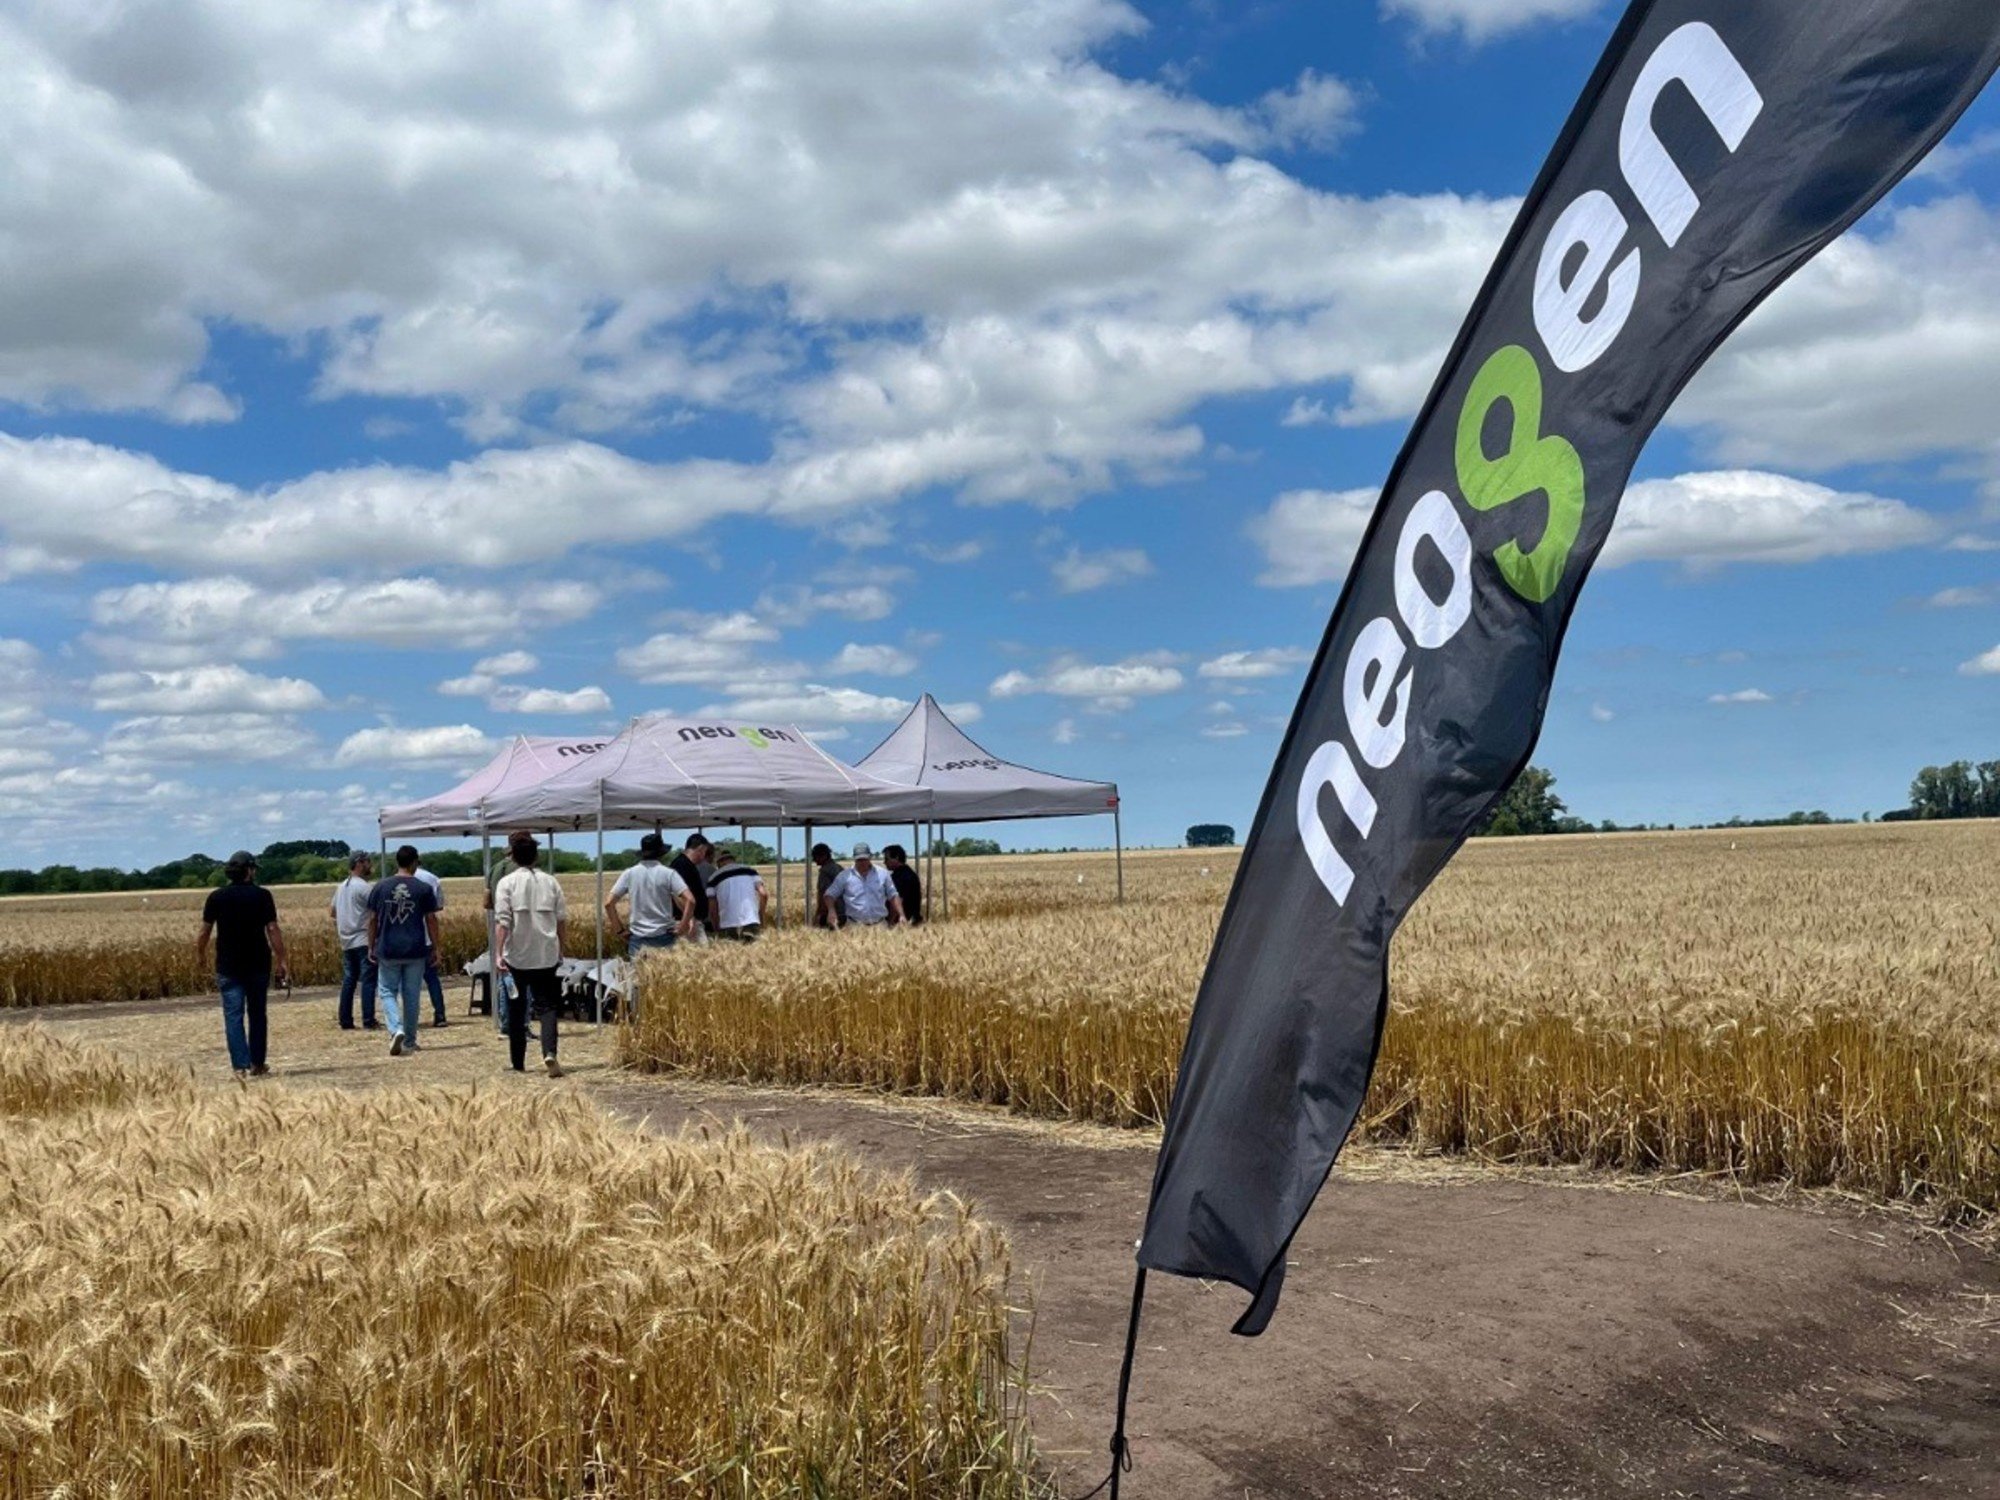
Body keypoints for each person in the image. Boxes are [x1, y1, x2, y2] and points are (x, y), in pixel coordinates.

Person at [196, 850, 289, 1079]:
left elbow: (204, 931)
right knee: (258, 1014)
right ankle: (258, 1063)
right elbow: (272, 929)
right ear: (249, 871)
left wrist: (200, 955)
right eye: (254, 868)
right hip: (258, 963)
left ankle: (240, 1066)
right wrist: (282, 959)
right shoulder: (262, 896)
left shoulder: (216, 897)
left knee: (233, 1015)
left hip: (228, 965)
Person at [494, 831, 569, 1077]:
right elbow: (561, 921)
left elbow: (503, 922)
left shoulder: (507, 883)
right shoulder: (551, 882)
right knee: (547, 1007)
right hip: (546, 953)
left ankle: (518, 1062)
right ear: (536, 856)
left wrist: (498, 953)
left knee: (517, 1008)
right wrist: (562, 947)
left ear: (513, 857)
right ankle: (549, 1052)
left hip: (518, 954)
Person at [369, 844, 441, 1057]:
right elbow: (431, 919)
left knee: (387, 991)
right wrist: (436, 947)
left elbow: (372, 919)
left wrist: (370, 945)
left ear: (397, 862)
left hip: (388, 947)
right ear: (414, 863)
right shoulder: (423, 888)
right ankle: (409, 1040)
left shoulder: (381, 887)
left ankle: (395, 1028)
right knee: (411, 995)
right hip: (415, 948)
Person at [604, 832, 695, 957]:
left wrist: (619, 930)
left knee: (638, 975)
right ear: (661, 853)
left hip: (637, 938)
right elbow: (690, 900)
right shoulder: (669, 874)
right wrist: (683, 927)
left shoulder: (629, 873)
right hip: (665, 937)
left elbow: (609, 904)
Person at [331, 851, 378, 1030]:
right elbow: (376, 913)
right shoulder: (365, 887)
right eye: (367, 862)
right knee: (368, 980)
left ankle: (345, 1020)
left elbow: (332, 912)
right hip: (363, 938)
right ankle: (368, 1019)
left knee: (349, 980)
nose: (370, 865)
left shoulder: (341, 886)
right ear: (359, 863)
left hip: (346, 940)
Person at [484, 835, 523, 1035]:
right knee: (520, 978)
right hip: (518, 926)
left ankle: (504, 1021)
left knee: (503, 975)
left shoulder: (494, 869)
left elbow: (486, 902)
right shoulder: (519, 872)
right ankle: (518, 1024)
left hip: (499, 924)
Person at [821, 842, 904, 929]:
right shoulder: (844, 876)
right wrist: (831, 910)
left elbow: (893, 895)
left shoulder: (882, 874)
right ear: (854, 859)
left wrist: (901, 914)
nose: (862, 862)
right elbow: (829, 895)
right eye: (859, 860)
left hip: (879, 926)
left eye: (865, 859)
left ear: (870, 857)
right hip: (854, 926)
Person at [412, 853, 448, 1027]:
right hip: (426, 936)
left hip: (405, 938)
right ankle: (440, 1014)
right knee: (432, 978)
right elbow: (438, 907)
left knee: (408, 981)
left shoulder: (394, 880)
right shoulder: (432, 879)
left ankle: (410, 1017)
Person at [708, 847, 769, 940]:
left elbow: (712, 908)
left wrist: (717, 929)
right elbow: (763, 894)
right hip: (751, 919)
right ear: (733, 860)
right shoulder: (750, 871)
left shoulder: (713, 877)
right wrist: (760, 916)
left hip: (727, 923)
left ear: (719, 863)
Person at [670, 833, 712, 940]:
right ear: (700, 849)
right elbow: (677, 895)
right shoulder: (682, 865)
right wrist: (689, 918)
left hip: (689, 919)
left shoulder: (685, 864)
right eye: (704, 852)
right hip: (688, 921)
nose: (703, 857)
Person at [883, 843, 923, 926]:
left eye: (887, 859)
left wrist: (890, 922)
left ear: (896, 857)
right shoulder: (908, 873)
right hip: (910, 921)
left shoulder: (901, 877)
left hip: (903, 923)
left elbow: (896, 900)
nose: (884, 862)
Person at [810, 842, 842, 929]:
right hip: (843, 911)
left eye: (815, 856)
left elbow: (824, 894)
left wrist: (819, 914)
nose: (814, 859)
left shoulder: (825, 871)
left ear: (823, 856)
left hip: (830, 913)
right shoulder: (839, 867)